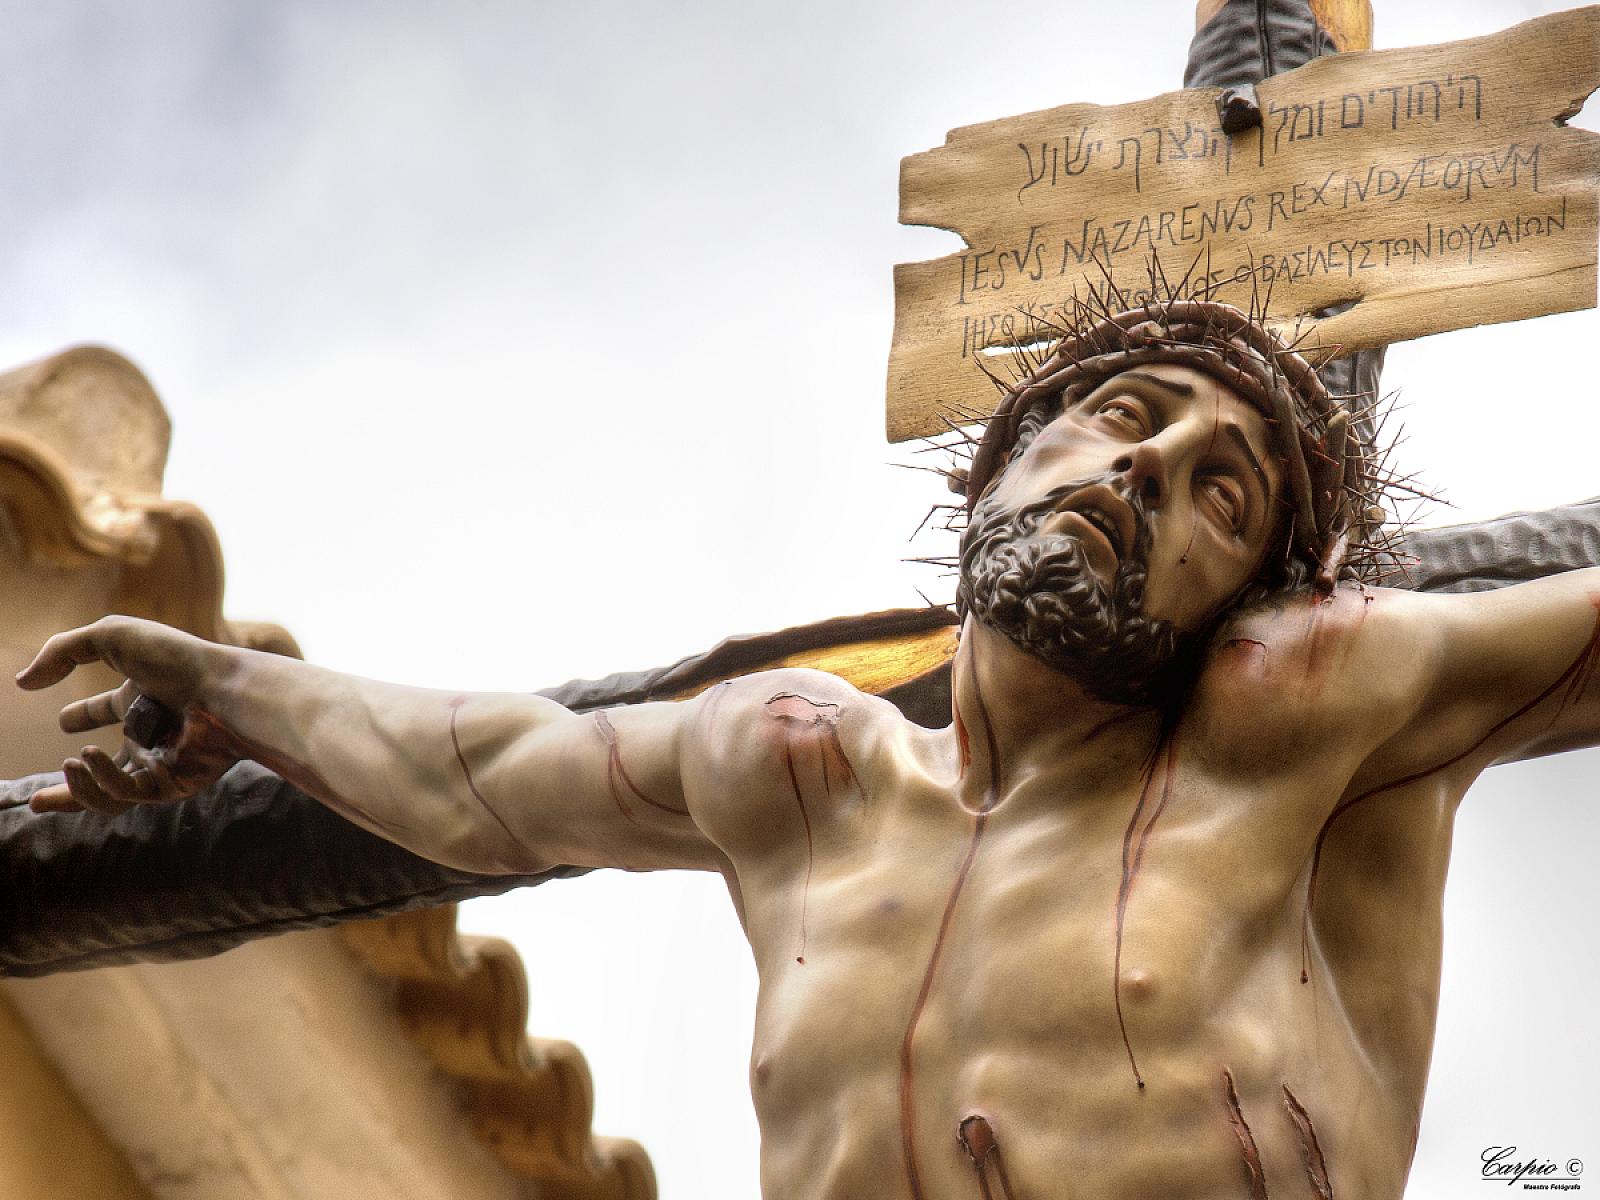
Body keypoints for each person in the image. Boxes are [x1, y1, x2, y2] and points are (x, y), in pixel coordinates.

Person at [16, 299, 1597, 1200]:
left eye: (1223, 491)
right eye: (1129, 416)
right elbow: (485, 773)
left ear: (1240, 601)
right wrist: (239, 696)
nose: (1153, 471)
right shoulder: (808, 779)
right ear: (1006, 459)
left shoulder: (1306, 733)